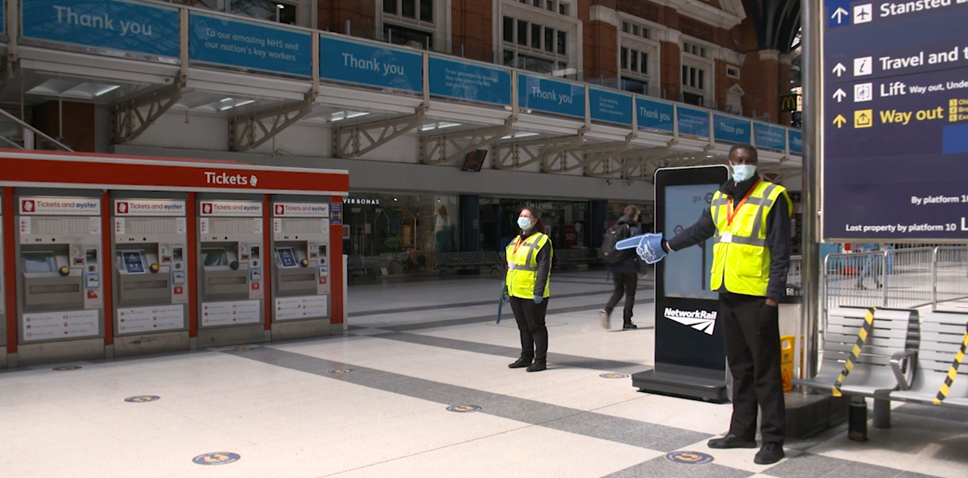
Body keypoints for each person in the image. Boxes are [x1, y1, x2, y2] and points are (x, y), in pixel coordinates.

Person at [659, 144, 792, 465]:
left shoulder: (772, 196)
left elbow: (780, 250)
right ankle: (742, 432)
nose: (743, 165)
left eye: (748, 161)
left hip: (758, 298)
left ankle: (773, 440)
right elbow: (701, 230)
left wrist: (773, 297)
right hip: (728, 293)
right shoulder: (721, 197)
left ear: (755, 164)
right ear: (730, 164)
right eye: (738, 161)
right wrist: (666, 245)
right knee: (739, 368)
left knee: (766, 370)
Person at [505, 207, 554, 373]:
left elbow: (543, 268)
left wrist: (539, 291)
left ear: (534, 221)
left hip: (533, 293)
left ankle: (540, 360)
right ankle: (526, 356)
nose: (522, 218)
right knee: (523, 327)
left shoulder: (542, 240)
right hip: (515, 291)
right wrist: (507, 288)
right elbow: (513, 267)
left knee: (536, 327)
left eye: (526, 216)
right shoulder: (516, 241)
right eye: (521, 215)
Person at [600, 205, 646, 330]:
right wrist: (643, 268)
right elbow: (639, 249)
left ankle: (607, 310)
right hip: (629, 267)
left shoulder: (615, 227)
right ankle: (627, 321)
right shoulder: (635, 229)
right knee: (630, 294)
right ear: (635, 215)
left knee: (618, 290)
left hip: (615, 265)